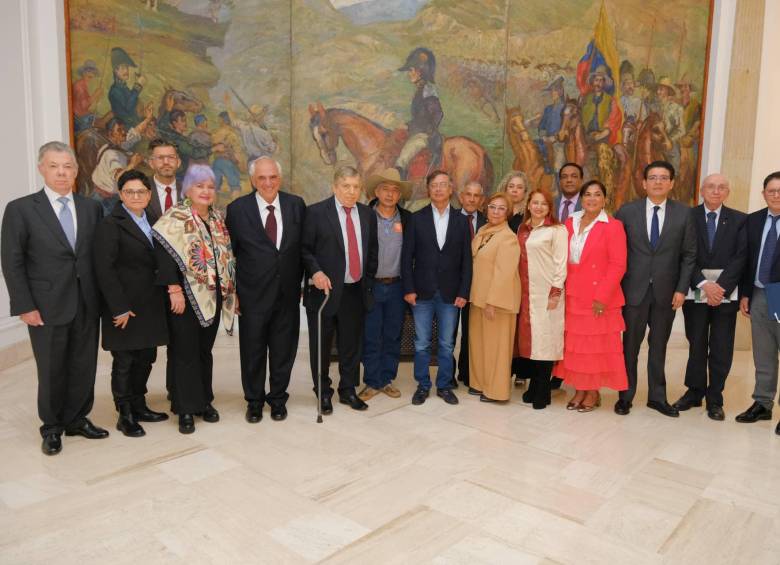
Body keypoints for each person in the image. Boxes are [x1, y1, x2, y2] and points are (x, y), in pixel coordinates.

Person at [1, 141, 108, 455]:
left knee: (84, 365)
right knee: (51, 369)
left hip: (87, 302)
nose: (62, 172)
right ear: (41, 169)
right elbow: (12, 260)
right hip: (45, 305)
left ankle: (77, 419)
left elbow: (96, 257)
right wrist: (24, 305)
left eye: (68, 167)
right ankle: (52, 427)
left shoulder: (91, 207)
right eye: (54, 166)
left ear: (76, 171)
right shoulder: (21, 209)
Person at [152, 164, 237, 434]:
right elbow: (164, 256)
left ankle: (203, 401)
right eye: (200, 186)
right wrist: (173, 289)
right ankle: (185, 408)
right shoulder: (174, 218)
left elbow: (226, 257)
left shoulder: (216, 218)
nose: (206, 191)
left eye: (210, 186)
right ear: (188, 188)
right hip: (185, 298)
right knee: (184, 353)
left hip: (211, 297)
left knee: (203, 352)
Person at [226, 157, 305, 423]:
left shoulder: (296, 205)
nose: (268, 183)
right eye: (262, 178)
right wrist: (233, 292)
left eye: (273, 177)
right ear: (253, 180)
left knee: (284, 350)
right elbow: (230, 255)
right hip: (252, 296)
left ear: (279, 178)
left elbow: (303, 248)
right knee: (253, 350)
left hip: (287, 294)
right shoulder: (237, 209)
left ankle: (278, 399)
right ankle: (255, 401)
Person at [615, 160, 696, 417]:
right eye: (653, 177)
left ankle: (657, 398)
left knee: (659, 345)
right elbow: (617, 253)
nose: (658, 182)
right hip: (633, 291)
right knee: (629, 346)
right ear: (644, 183)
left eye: (663, 178)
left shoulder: (685, 214)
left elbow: (689, 255)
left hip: (667, 292)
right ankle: (625, 395)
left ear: (671, 183)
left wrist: (682, 289)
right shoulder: (627, 212)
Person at [93, 170, 169, 437]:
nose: (136, 196)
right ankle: (124, 415)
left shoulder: (153, 218)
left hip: (151, 304)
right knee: (125, 361)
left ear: (149, 195)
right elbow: (105, 269)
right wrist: (119, 307)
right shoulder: (111, 224)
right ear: (121, 195)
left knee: (147, 357)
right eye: (129, 192)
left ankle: (139, 405)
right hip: (125, 307)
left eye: (141, 192)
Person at [302, 166, 378, 414]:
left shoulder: (367, 214)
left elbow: (372, 253)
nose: (351, 191)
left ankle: (348, 390)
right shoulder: (315, 213)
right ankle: (323, 393)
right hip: (324, 292)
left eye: (356, 187)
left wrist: (366, 282)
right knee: (321, 346)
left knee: (350, 345)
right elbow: (304, 250)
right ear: (335, 187)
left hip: (355, 291)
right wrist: (316, 272)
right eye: (346, 186)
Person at [673, 174, 746, 421]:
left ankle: (715, 398)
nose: (716, 191)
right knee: (696, 344)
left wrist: (720, 287)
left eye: (722, 187)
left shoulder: (739, 220)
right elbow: (682, 254)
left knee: (721, 346)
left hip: (727, 293)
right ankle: (694, 392)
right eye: (711, 187)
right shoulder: (687, 217)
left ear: (728, 192)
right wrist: (704, 284)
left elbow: (741, 257)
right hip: (695, 291)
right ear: (702, 190)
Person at [556, 180, 627, 412]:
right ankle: (579, 388)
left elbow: (618, 265)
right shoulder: (570, 222)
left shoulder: (613, 226)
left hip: (599, 297)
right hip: (574, 294)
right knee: (577, 347)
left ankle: (593, 391)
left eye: (597, 194)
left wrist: (602, 297)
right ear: (581, 198)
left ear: (605, 199)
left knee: (596, 347)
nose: (592, 198)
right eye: (587, 194)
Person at [402, 170, 472, 406]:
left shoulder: (462, 221)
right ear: (428, 189)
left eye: (444, 185)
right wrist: (409, 289)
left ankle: (444, 385)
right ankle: (422, 385)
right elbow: (406, 257)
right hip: (421, 292)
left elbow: (467, 262)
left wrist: (464, 292)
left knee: (446, 343)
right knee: (421, 344)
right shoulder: (416, 218)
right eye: (435, 185)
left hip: (451, 294)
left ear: (451, 189)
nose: (439, 189)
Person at [358, 168, 412, 401]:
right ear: (376, 192)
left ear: (400, 195)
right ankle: (371, 381)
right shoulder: (364, 216)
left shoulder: (408, 219)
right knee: (370, 335)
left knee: (392, 335)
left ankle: (386, 379)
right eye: (385, 189)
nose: (390, 194)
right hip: (371, 286)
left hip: (398, 287)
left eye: (395, 190)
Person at [737, 171, 780, 436]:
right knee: (763, 353)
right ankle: (763, 403)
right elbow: (746, 259)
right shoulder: (753, 221)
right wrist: (745, 293)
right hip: (760, 293)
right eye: (772, 190)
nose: (776, 195)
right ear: (763, 194)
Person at [516, 189, 567, 409]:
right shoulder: (523, 228)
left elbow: (561, 263)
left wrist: (555, 293)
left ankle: (542, 390)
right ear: (528, 205)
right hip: (526, 293)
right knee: (532, 343)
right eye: (535, 203)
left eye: (543, 204)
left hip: (548, 294)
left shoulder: (557, 230)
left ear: (549, 208)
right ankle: (533, 386)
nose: (538, 207)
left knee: (546, 342)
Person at [468, 192, 521, 402]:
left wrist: (492, 302)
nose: (496, 211)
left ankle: (497, 391)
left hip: (496, 302)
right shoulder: (483, 230)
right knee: (480, 345)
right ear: (486, 209)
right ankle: (480, 384)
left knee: (497, 349)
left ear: (507, 212)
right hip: (478, 298)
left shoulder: (508, 238)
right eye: (492, 206)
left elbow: (504, 273)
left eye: (501, 208)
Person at [454, 181, 486, 387]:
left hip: (478, 285)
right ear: (461, 197)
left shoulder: (488, 222)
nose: (472, 199)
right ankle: (448, 374)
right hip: (451, 284)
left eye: (476, 196)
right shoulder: (450, 218)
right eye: (468, 194)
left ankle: (467, 373)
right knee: (448, 335)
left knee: (470, 331)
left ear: (481, 200)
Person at [395, 47, 444, 178]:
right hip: (418, 131)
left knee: (401, 160)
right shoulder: (420, 90)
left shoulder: (427, 90)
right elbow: (420, 116)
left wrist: (426, 131)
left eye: (411, 70)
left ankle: (402, 187)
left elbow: (437, 114)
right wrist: (407, 125)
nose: (409, 73)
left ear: (421, 71)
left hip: (424, 135)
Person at [146, 138, 183, 223]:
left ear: (178, 162)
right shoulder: (140, 190)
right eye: (160, 157)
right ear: (151, 163)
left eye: (171, 157)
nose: (166, 162)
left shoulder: (189, 192)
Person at [108, 47, 145, 128]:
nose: (126, 71)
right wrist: (138, 86)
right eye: (123, 68)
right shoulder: (114, 90)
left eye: (127, 67)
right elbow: (128, 107)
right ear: (115, 70)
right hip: (124, 128)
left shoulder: (124, 87)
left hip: (133, 125)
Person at [72, 59, 103, 133]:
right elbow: (84, 105)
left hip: (83, 115)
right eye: (88, 71)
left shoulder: (83, 84)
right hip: (78, 119)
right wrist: (95, 95)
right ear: (83, 73)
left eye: (92, 72)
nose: (90, 74)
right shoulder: (79, 86)